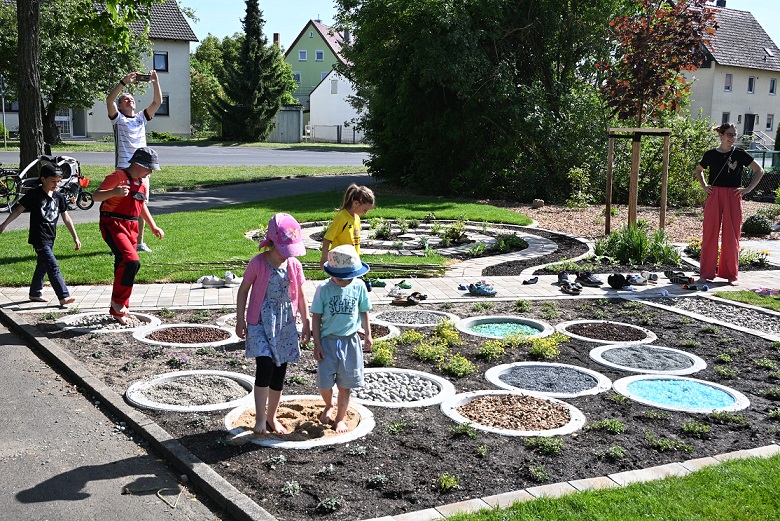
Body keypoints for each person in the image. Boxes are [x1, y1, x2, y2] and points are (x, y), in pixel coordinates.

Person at [235, 213, 311, 435]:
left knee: (280, 371)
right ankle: (260, 418)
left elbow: (303, 296)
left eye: (290, 251)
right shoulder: (258, 263)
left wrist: (305, 321)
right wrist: (241, 319)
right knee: (265, 367)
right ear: (270, 242)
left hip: (286, 324)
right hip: (260, 322)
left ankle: (272, 417)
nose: (286, 256)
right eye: (282, 250)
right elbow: (243, 291)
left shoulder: (294, 266)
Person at [92, 147, 165, 324]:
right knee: (132, 261)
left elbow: (141, 205)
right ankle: (118, 304)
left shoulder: (141, 182)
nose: (150, 172)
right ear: (138, 164)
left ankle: (120, 306)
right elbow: (95, 196)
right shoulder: (117, 177)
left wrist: (153, 226)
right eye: (149, 168)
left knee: (124, 265)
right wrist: (114, 192)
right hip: (113, 224)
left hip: (131, 227)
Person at [0, 162, 80, 306]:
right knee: (52, 264)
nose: (56, 184)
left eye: (58, 181)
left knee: (43, 265)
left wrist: (75, 237)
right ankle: (63, 296)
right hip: (39, 238)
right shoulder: (34, 194)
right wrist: (4, 224)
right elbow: (18, 210)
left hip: (51, 237)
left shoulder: (59, 196)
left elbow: (66, 217)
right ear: (43, 179)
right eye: (53, 181)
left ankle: (35, 293)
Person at [311, 244, 372, 433]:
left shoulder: (359, 286)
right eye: (342, 277)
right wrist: (317, 344)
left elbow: (364, 311)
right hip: (328, 341)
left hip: (351, 341)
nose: (347, 280)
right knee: (325, 383)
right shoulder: (323, 289)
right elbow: (316, 317)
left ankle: (340, 418)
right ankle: (329, 404)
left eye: (350, 276)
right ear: (332, 273)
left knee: (346, 385)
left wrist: (368, 334)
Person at [694, 123, 764, 286]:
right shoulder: (711, 154)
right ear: (721, 135)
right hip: (715, 194)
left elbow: (759, 171)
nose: (732, 138)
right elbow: (699, 170)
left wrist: (747, 189)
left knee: (731, 235)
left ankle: (731, 275)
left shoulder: (739, 153)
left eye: (734, 135)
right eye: (729, 134)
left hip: (733, 195)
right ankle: (705, 273)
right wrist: (704, 186)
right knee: (710, 233)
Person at [106, 70, 162, 253]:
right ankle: (119, 241)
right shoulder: (118, 119)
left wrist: (155, 81)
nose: (129, 99)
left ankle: (139, 242)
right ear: (120, 106)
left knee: (141, 203)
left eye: (131, 98)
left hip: (143, 168)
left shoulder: (141, 118)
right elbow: (109, 100)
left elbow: (157, 102)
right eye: (125, 99)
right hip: (124, 167)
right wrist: (123, 82)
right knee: (122, 205)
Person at [318, 184, 375, 269]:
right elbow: (327, 239)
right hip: (339, 263)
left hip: (352, 261)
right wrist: (324, 258)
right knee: (339, 282)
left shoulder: (357, 218)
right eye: (365, 209)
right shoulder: (341, 218)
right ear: (356, 203)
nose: (366, 212)